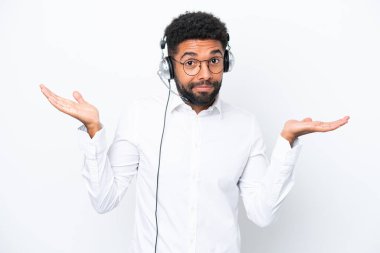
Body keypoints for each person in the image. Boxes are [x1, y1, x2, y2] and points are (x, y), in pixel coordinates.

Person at [40, 11, 349, 253]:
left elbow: (263, 214)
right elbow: (104, 200)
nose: (205, 73)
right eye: (190, 63)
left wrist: (287, 143)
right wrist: (94, 130)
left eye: (214, 60)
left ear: (225, 61)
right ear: (169, 66)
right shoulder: (140, 116)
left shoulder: (245, 125)